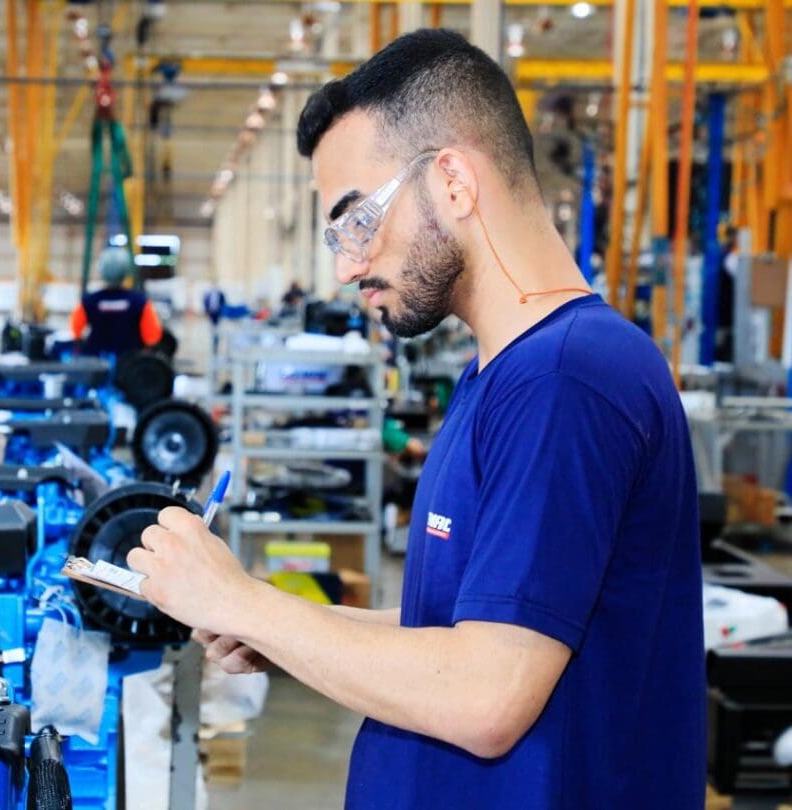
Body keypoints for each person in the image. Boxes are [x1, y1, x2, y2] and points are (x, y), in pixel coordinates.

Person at [127, 30, 703, 809]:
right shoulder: (503, 374)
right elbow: (463, 625)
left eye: (357, 221)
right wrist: (284, 629)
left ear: (453, 182)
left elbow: (486, 696)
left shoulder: (565, 380)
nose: (347, 265)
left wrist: (238, 602)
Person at [70, 246, 163, 356]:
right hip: (129, 361)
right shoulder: (140, 302)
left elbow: (75, 332)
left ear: (101, 269)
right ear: (127, 270)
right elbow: (152, 337)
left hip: (96, 359)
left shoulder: (89, 301)